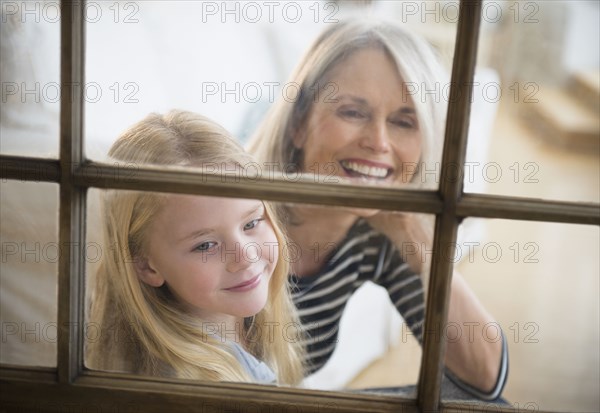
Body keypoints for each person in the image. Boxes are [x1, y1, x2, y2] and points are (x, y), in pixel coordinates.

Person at [248, 18, 508, 400]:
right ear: (298, 123)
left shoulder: (378, 234)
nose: (379, 142)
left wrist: (418, 242)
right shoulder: (240, 215)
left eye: (404, 122)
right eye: (353, 112)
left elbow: (484, 377)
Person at [86, 110, 304, 385]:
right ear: (146, 265)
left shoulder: (249, 326)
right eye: (205, 245)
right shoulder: (188, 385)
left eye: (251, 224)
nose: (245, 256)